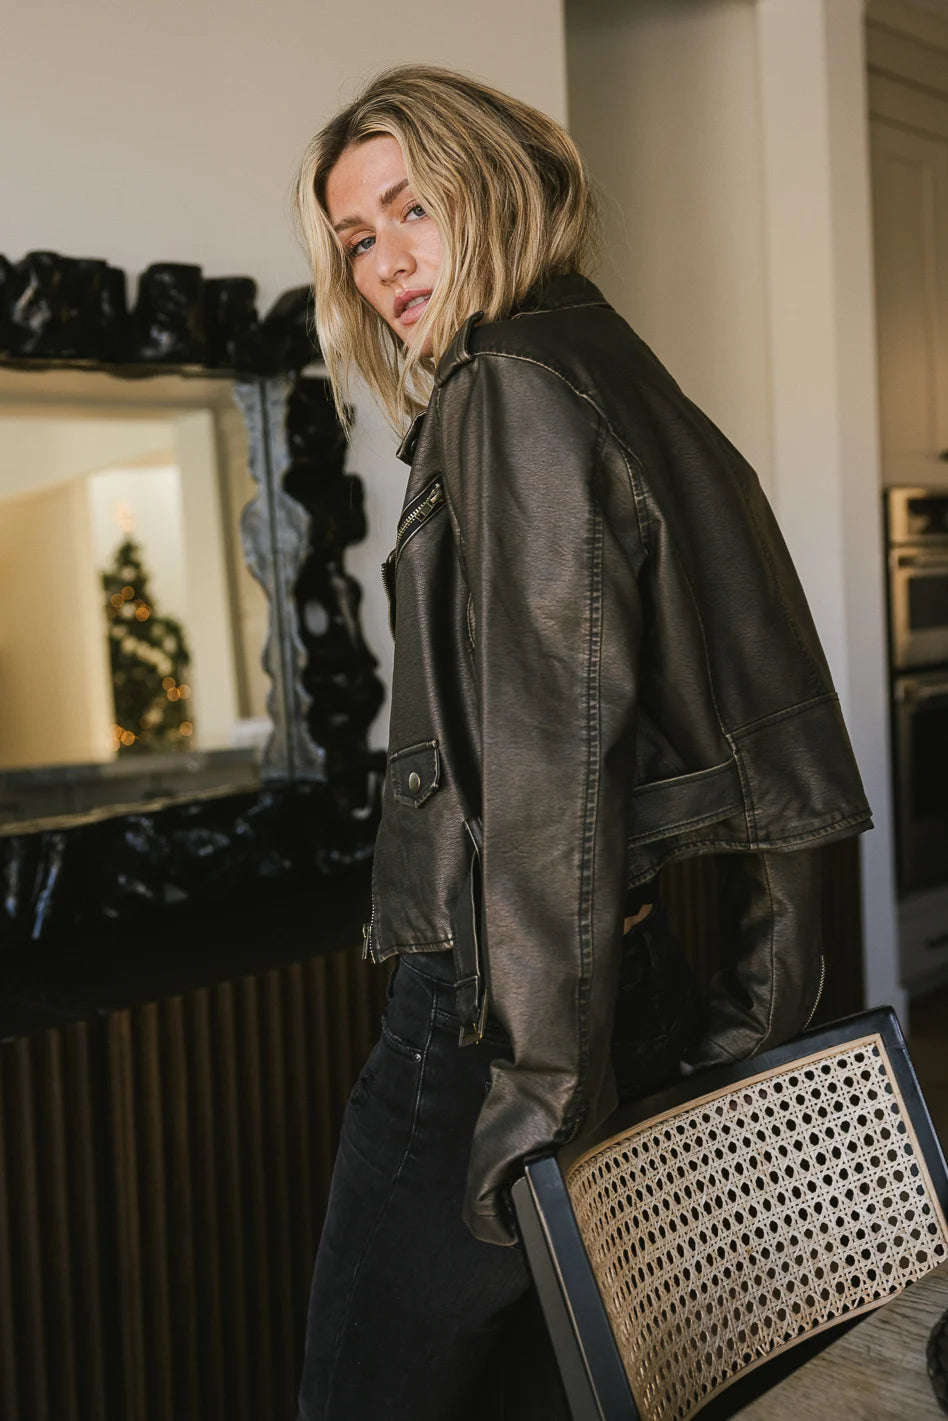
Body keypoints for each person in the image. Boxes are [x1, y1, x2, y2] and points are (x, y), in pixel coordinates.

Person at [292, 65, 872, 1421]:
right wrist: (768, 988)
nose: (384, 265)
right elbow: (783, 717)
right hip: (624, 976)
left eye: (412, 208)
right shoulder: (615, 366)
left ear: (496, 186)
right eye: (356, 239)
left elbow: (548, 774)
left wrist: (536, 1099)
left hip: (497, 1018)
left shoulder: (504, 386)